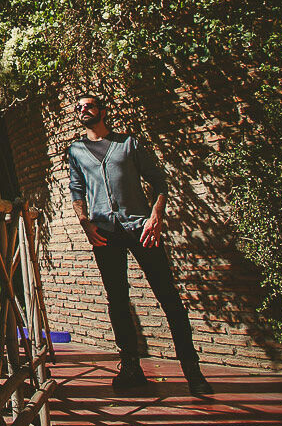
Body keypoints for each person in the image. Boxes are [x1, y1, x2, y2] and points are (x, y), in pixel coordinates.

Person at [67, 93, 213, 396]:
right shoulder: (76, 151)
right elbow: (77, 190)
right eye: (79, 107)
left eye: (89, 105)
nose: (83, 110)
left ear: (102, 111)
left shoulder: (128, 144)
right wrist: (85, 224)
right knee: (117, 300)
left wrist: (155, 216)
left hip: (141, 228)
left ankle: (192, 370)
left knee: (168, 297)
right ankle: (130, 367)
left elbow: (159, 182)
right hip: (104, 232)